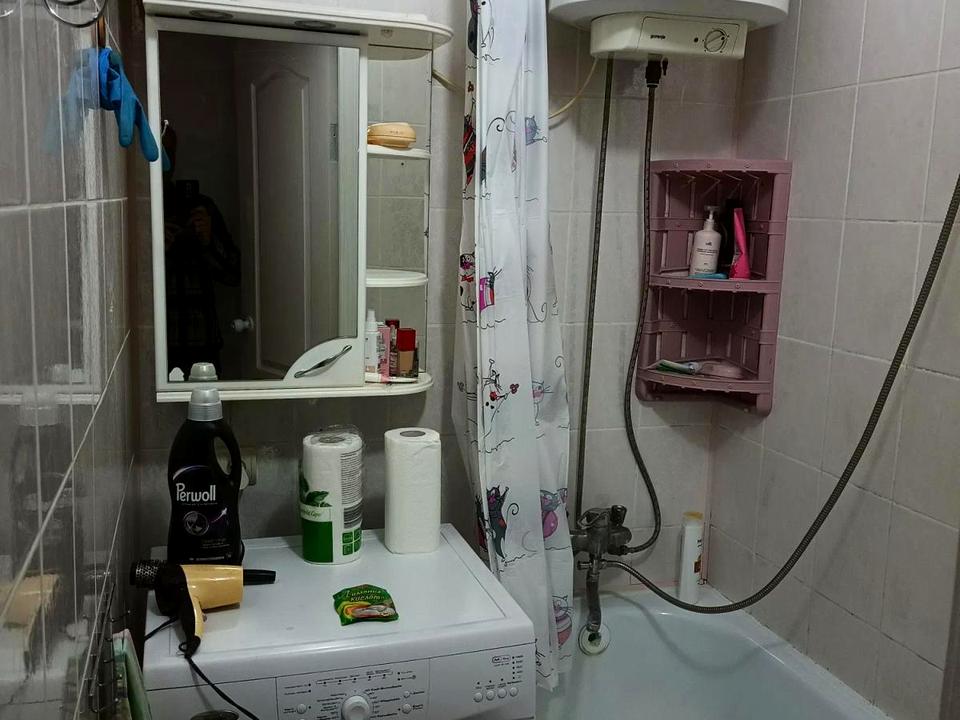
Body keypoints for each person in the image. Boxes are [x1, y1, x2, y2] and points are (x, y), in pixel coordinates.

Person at [162, 126, 240, 376]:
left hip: (203, 341)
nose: (164, 161)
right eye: (159, 151)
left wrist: (208, 241)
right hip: (159, 341)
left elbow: (234, 274)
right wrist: (154, 251)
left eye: (169, 152)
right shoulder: (140, 211)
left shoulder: (202, 207)